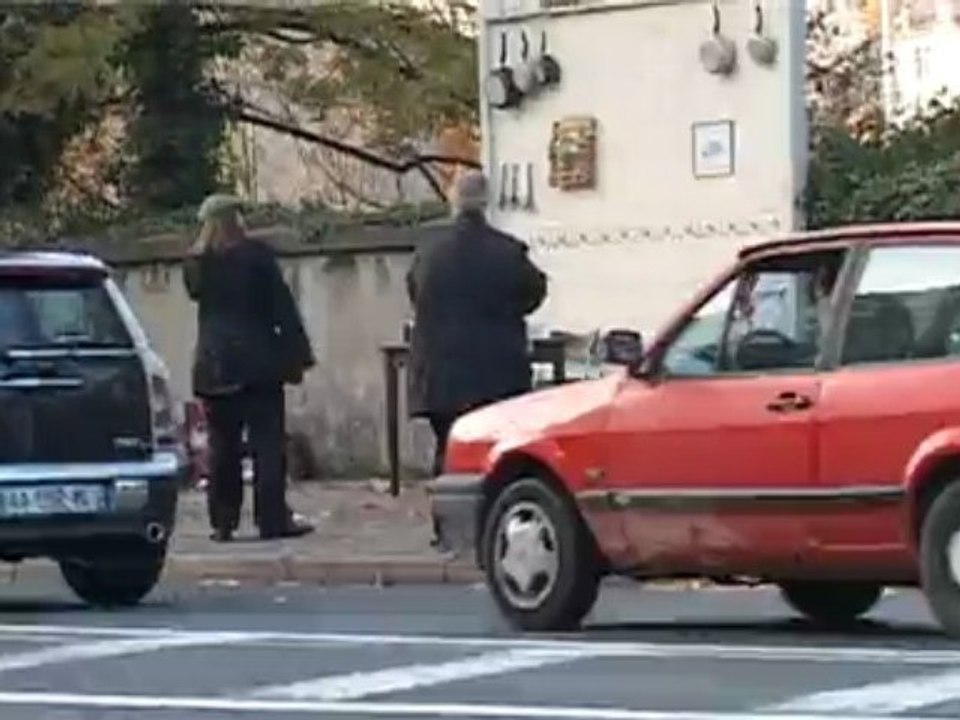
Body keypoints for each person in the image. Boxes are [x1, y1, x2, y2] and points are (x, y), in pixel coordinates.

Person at [184, 194, 315, 542]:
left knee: (222, 446)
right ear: (236, 219)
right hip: (258, 363)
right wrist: (298, 356)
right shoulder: (257, 258)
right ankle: (272, 518)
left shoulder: (198, 265)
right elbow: (282, 309)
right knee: (268, 445)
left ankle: (223, 521)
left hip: (214, 365)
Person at [406, 171, 547, 476]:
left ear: (453, 201)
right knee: (496, 452)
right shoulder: (508, 252)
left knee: (449, 446)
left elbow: (416, 294)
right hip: (497, 374)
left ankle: (445, 512)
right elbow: (535, 293)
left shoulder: (428, 252)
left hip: (440, 375)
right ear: (485, 202)